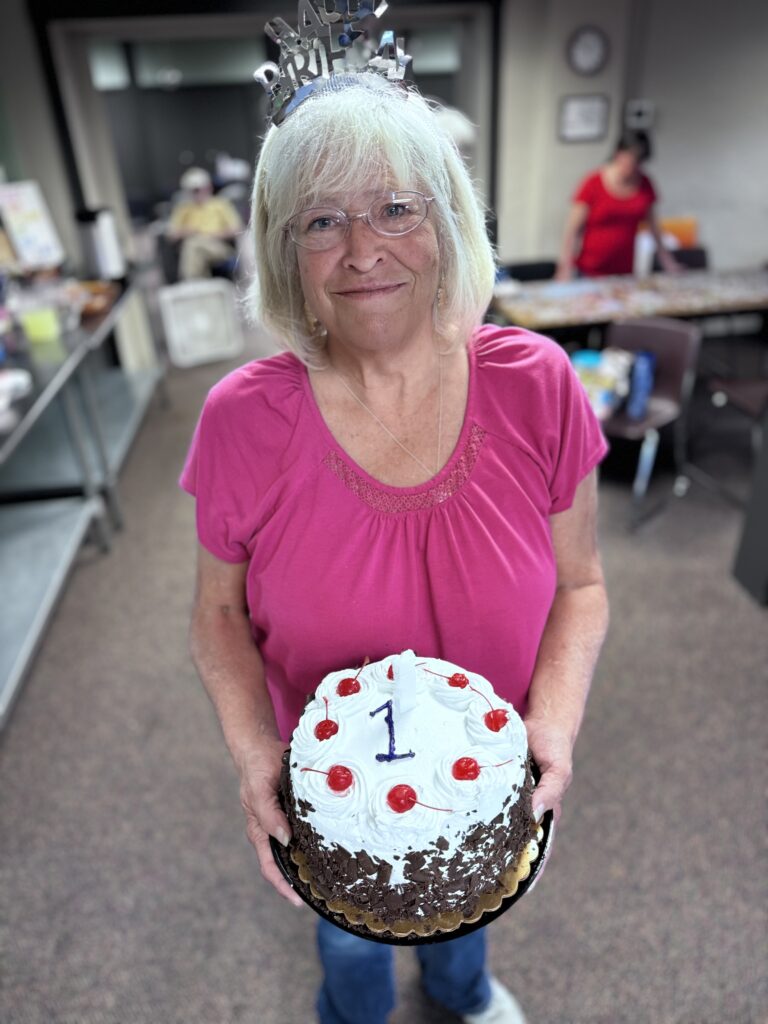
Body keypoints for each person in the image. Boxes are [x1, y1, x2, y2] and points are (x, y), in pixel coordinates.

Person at [181, 70, 609, 1024]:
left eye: (395, 208)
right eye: (321, 221)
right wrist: (254, 751)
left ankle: (462, 990)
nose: (363, 250)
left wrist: (557, 723)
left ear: (447, 220)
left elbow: (582, 586)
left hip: (481, 780)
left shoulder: (538, 384)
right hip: (338, 792)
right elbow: (215, 611)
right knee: (350, 929)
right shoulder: (241, 419)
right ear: (286, 253)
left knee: (464, 902)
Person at [555, 129, 680, 280]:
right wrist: (564, 267)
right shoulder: (593, 182)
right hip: (589, 271)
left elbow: (655, 228)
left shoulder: (645, 183)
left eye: (639, 162)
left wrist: (667, 260)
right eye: (631, 160)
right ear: (618, 154)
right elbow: (572, 230)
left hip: (624, 272)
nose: (634, 167)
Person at [166, 166, 243, 280]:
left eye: (198, 189)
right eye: (192, 190)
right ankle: (201, 284)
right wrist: (187, 231)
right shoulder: (183, 209)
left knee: (193, 245)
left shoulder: (220, 205)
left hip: (218, 247)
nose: (196, 193)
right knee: (194, 247)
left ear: (208, 188)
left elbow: (237, 229)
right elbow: (171, 235)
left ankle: (190, 284)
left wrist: (211, 235)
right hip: (193, 245)